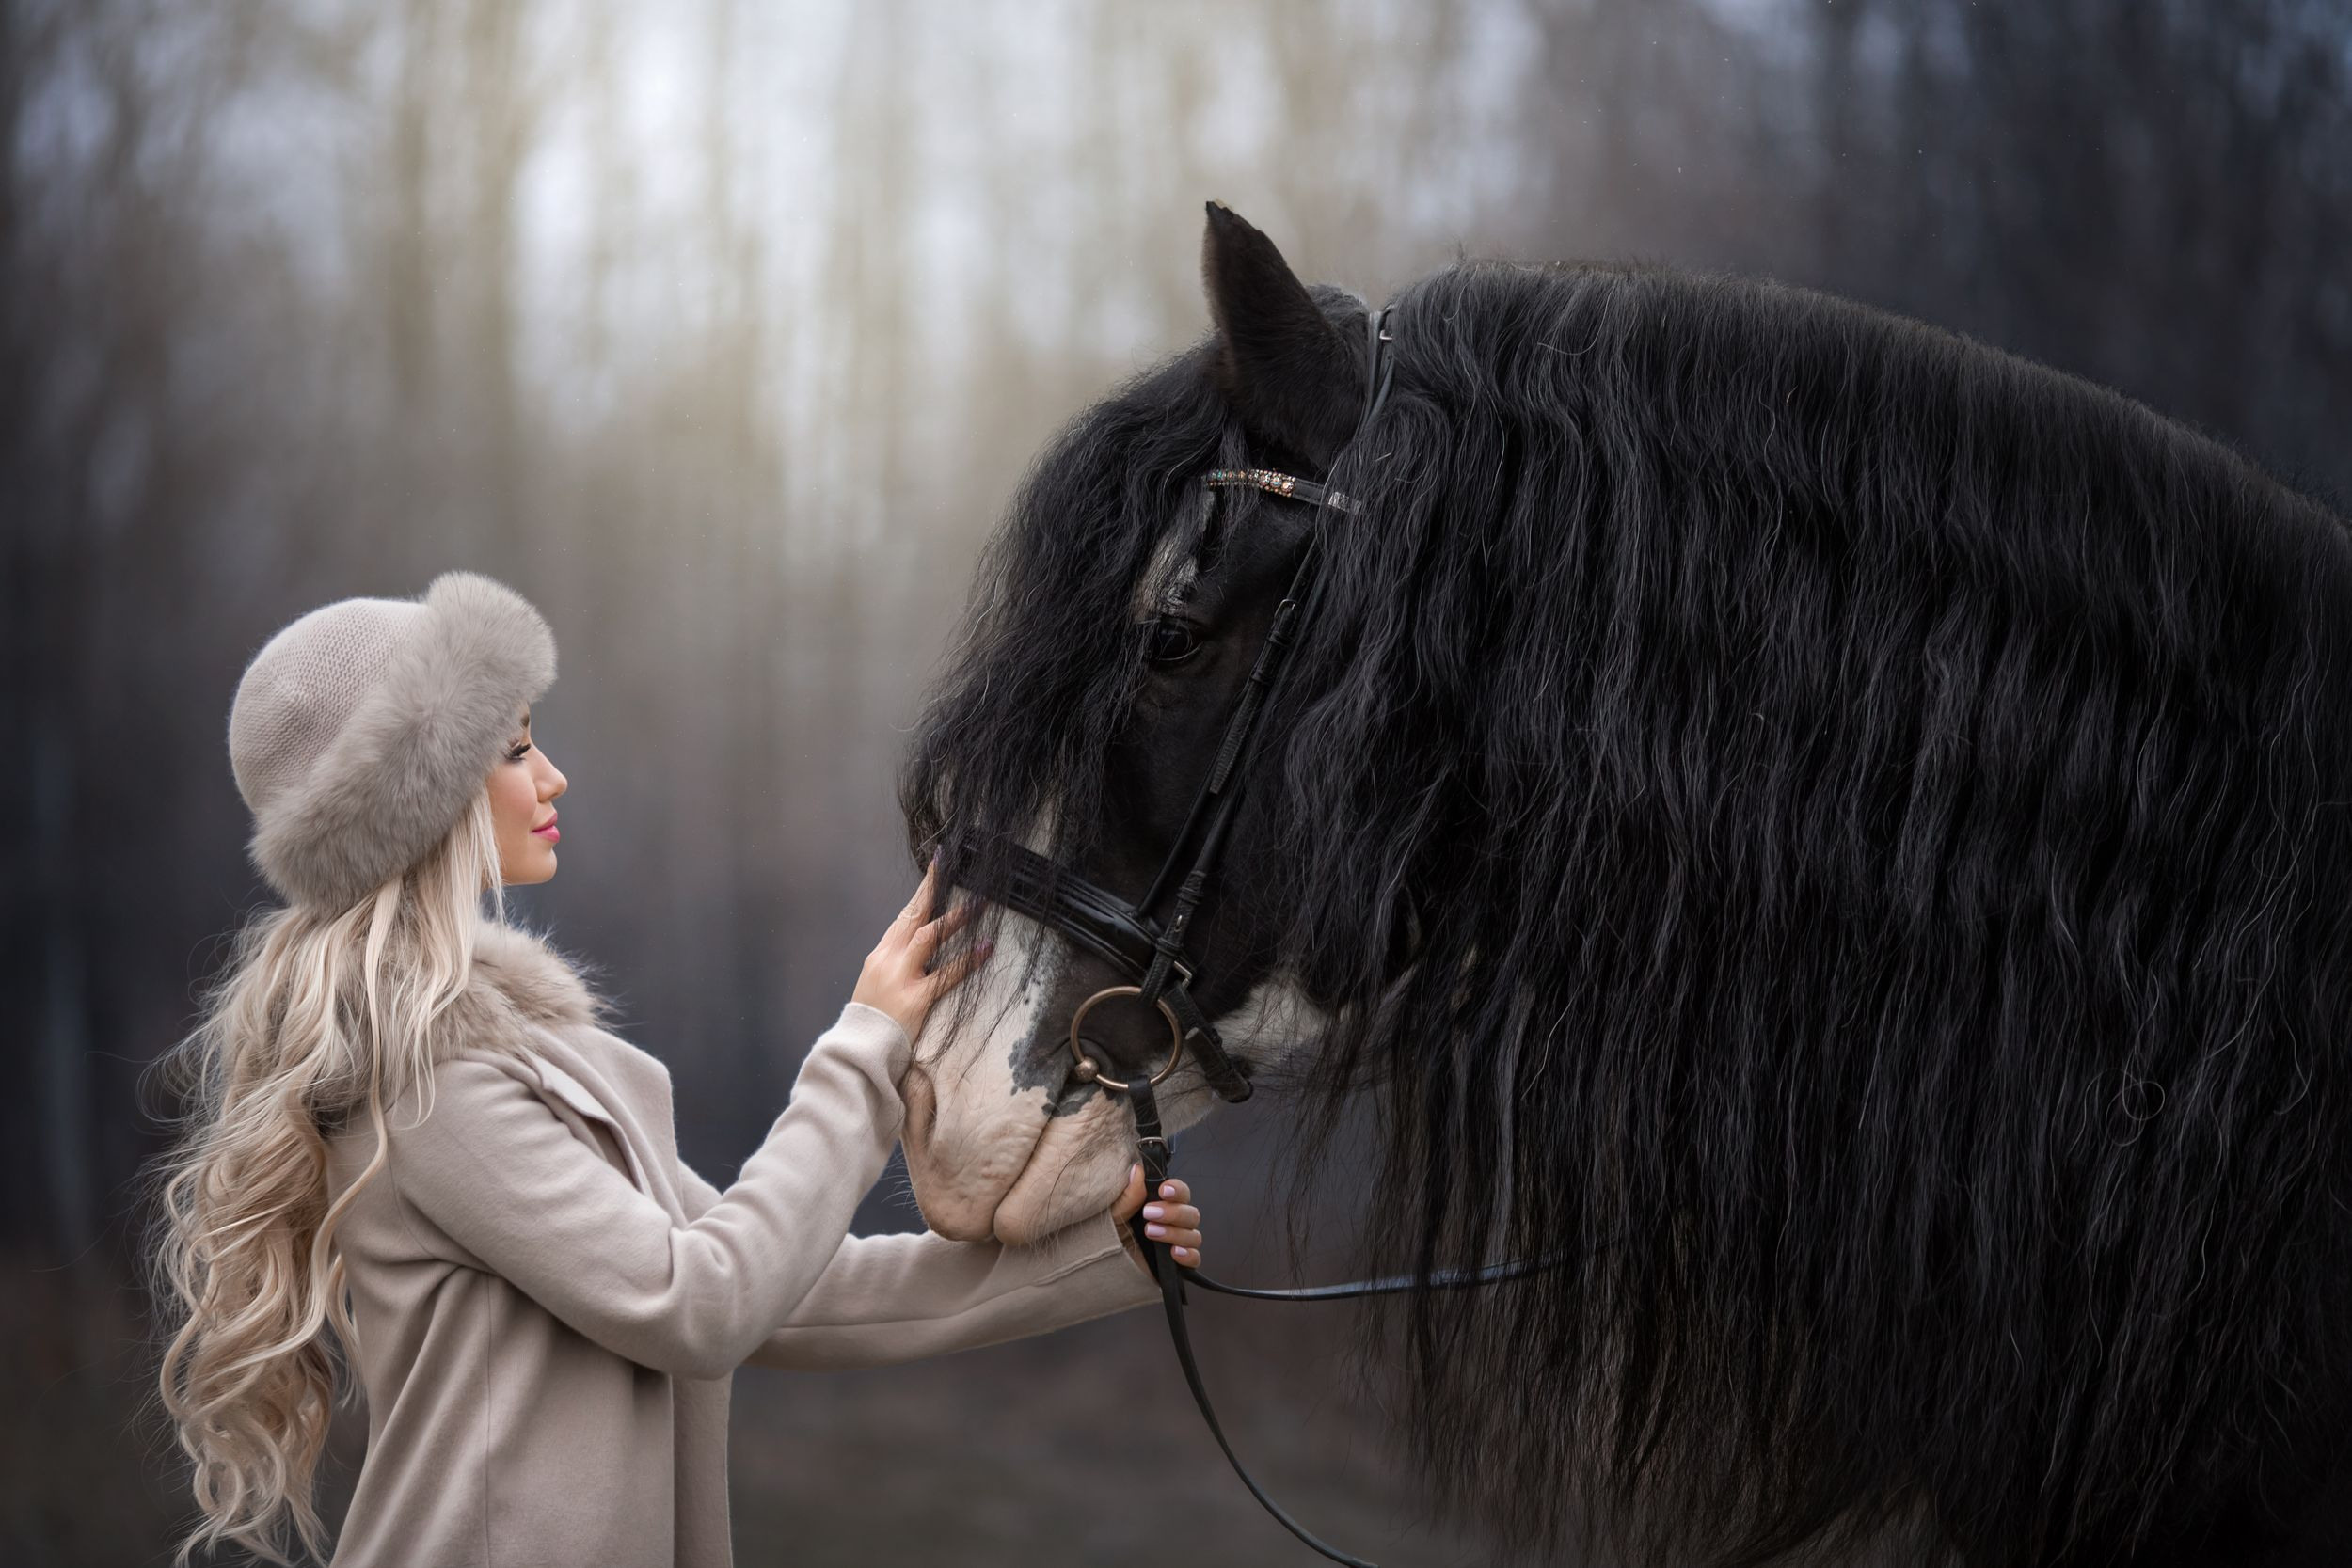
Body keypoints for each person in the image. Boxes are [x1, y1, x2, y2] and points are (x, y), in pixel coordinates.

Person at [150, 571, 1200, 1567]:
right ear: (423, 800)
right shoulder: (423, 1081)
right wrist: (862, 1048)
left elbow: (786, 1293)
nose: (552, 775)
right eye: (515, 748)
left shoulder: (512, 1054)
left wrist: (1095, 1252)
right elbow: (701, 1302)